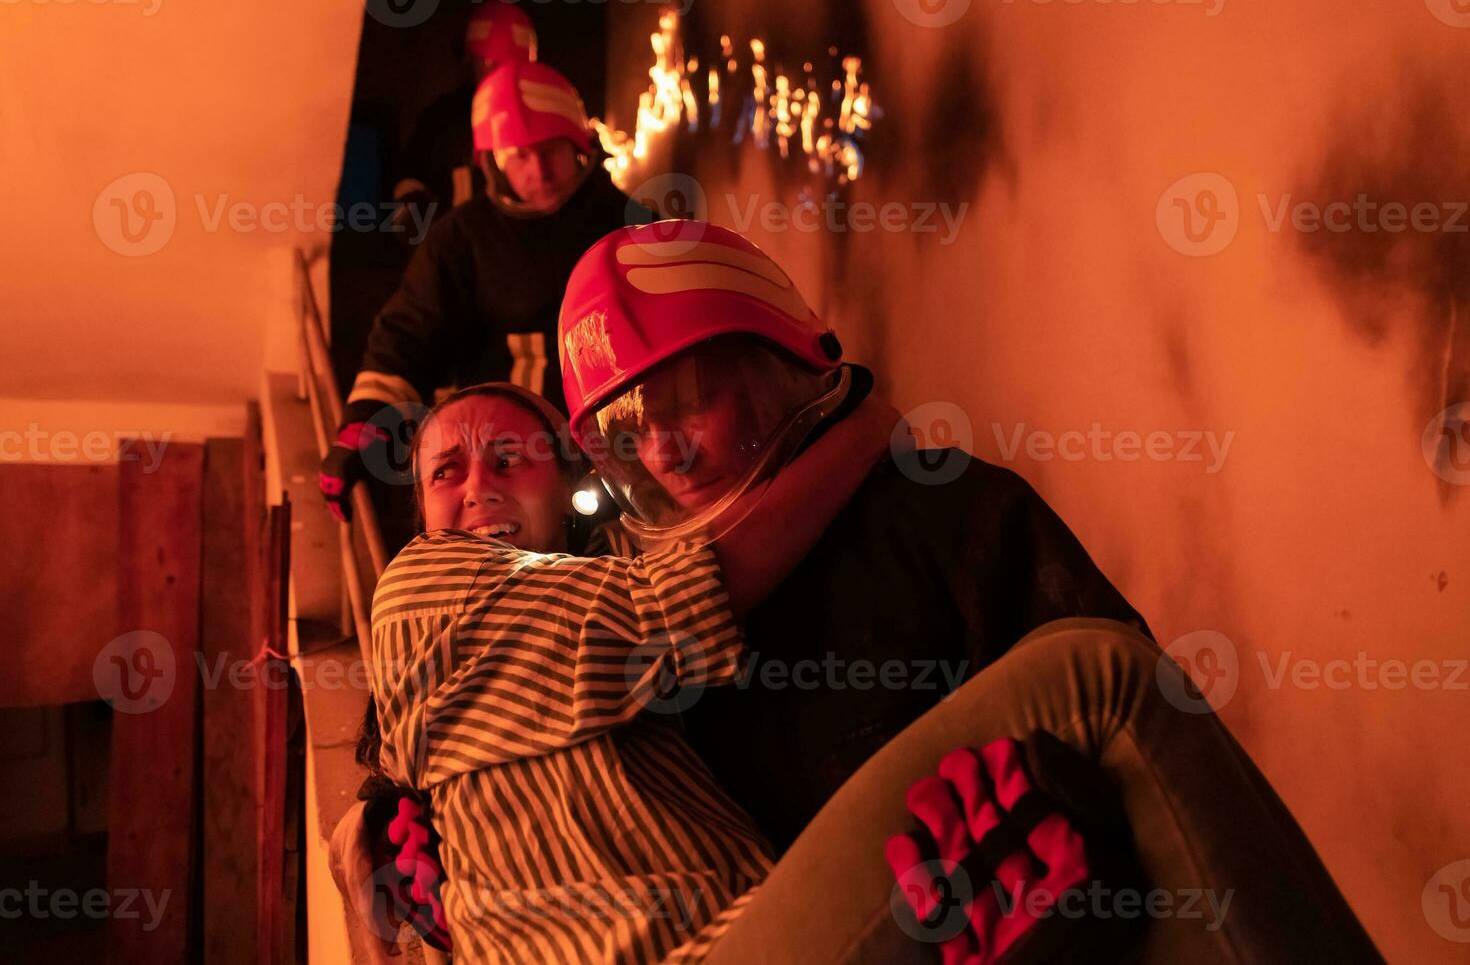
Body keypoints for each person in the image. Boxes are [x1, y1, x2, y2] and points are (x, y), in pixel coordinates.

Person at [554, 220, 1382, 963]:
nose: (665, 453)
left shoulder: (941, 510)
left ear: (775, 364)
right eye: (628, 431)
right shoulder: (624, 610)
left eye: (690, 401)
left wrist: (1065, 835)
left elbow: (1127, 737)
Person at [350, 378, 903, 962]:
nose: (479, 488)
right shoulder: (420, 582)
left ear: (570, 487)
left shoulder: (599, 567)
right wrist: (866, 426)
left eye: (509, 460)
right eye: (445, 472)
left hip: (738, 925)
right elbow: (680, 601)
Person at [320, 60, 648, 524]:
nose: (540, 170)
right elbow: (407, 335)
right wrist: (359, 427)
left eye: (551, 148)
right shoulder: (460, 239)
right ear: (492, 163)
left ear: (580, 146)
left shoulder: (631, 226)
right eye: (519, 155)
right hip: (493, 465)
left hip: (616, 456)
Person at [392, 0, 538, 226]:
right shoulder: (441, 121)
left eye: (514, 66)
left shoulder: (539, 116)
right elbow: (408, 185)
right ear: (472, 60)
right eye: (493, 64)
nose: (503, 75)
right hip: (459, 247)